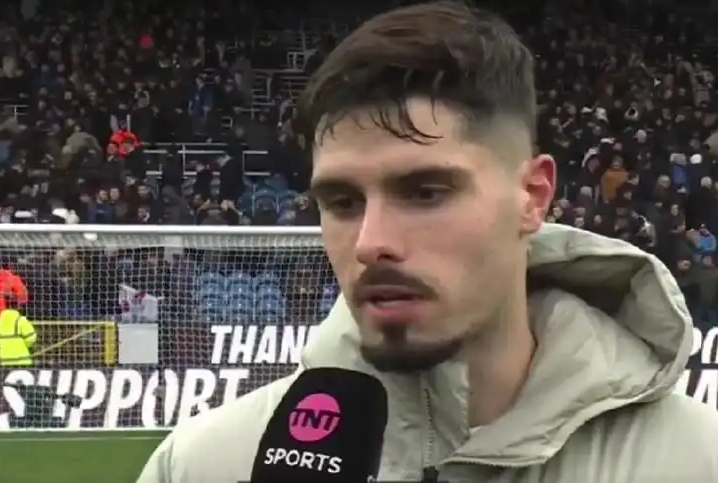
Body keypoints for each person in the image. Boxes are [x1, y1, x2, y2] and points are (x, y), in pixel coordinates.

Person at [136, 3, 718, 482]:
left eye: (425, 192)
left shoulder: (697, 462)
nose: (370, 243)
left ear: (533, 196)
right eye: (342, 202)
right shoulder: (205, 465)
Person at [0, 298, 37, 366]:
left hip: (5, 361)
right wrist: (25, 346)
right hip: (23, 360)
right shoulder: (21, 320)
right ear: (17, 306)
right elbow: (31, 338)